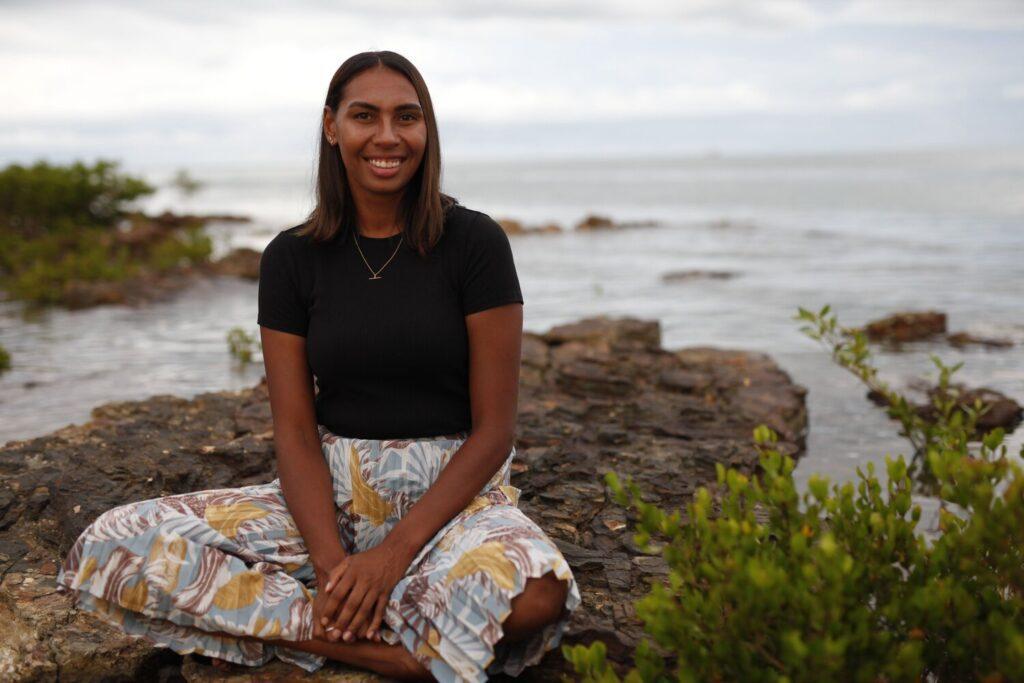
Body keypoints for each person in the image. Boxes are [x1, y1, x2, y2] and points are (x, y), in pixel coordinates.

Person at [55, 50, 581, 682]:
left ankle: (345, 627)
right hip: (328, 499)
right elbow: (296, 431)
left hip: (454, 504)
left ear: (427, 130)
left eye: (406, 118)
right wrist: (335, 568)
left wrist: (390, 557)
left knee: (535, 593)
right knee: (112, 541)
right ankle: (392, 645)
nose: (387, 136)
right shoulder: (291, 258)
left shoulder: (475, 244)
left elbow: (495, 430)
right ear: (333, 127)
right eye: (365, 116)